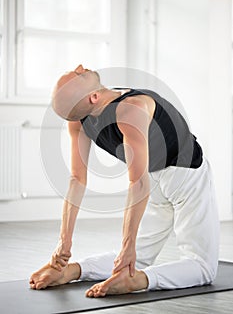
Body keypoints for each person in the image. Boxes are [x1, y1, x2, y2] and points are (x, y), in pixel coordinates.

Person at [30, 65, 219, 297]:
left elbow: (77, 179)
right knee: (202, 267)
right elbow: (135, 184)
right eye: (78, 74)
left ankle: (74, 270)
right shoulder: (132, 108)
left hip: (153, 181)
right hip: (185, 176)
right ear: (94, 97)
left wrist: (64, 245)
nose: (80, 67)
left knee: (138, 255)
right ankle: (138, 280)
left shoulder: (79, 117)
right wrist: (125, 248)